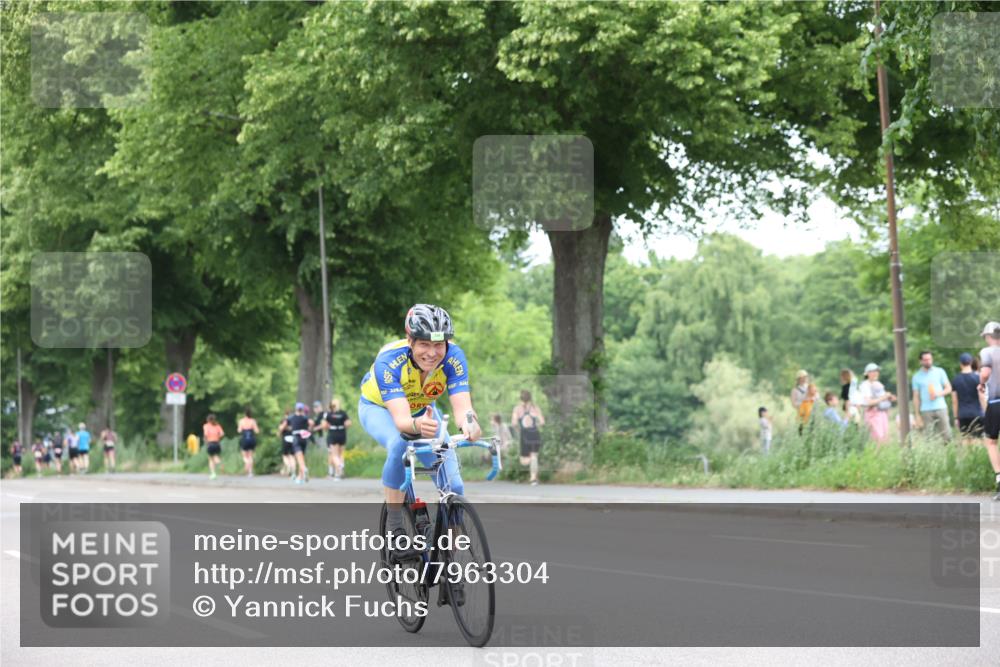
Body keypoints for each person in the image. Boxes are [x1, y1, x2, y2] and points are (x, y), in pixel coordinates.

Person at [358, 304, 481, 545]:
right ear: (410, 341)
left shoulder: (454, 358)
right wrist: (417, 426)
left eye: (439, 345)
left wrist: (470, 425)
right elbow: (403, 422)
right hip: (381, 409)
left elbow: (463, 408)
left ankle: (448, 546)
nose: (432, 353)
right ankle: (395, 526)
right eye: (424, 344)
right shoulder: (389, 361)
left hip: (423, 410)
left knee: (454, 483)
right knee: (399, 444)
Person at [978, 322, 1000, 501]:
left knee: (991, 441)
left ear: (988, 336)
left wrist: (981, 383)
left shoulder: (987, 352)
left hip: (996, 401)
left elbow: (985, 373)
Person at [912, 351, 953, 441]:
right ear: (921, 361)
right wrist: (917, 414)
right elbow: (916, 396)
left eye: (929, 359)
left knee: (947, 435)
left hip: (941, 407)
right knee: (929, 437)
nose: (928, 361)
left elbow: (949, 388)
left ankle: (948, 449)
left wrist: (938, 394)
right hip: (926, 409)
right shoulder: (916, 376)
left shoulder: (940, 371)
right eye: (925, 360)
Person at [512, 390, 545, 486]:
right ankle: (533, 478)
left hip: (524, 434)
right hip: (535, 434)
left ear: (520, 398)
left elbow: (514, 423)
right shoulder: (535, 408)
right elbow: (542, 422)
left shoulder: (517, 409)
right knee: (534, 456)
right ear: (530, 398)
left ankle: (533, 478)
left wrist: (519, 430)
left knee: (524, 460)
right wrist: (535, 426)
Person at [859, 363, 895, 445]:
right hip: (872, 414)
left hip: (882, 413)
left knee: (885, 439)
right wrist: (883, 397)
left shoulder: (878, 384)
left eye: (877, 371)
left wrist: (889, 397)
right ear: (867, 373)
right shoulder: (864, 385)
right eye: (873, 371)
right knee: (877, 439)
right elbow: (868, 402)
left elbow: (882, 398)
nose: (876, 373)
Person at [952, 352, 985, 442]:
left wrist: (956, 418)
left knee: (965, 440)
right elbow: (982, 397)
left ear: (960, 364)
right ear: (971, 362)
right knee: (978, 441)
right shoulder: (978, 378)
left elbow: (954, 401)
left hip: (963, 414)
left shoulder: (955, 380)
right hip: (977, 413)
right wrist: (987, 412)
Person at [278, 403, 313, 484]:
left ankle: (304, 469)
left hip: (296, 438)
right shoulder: (305, 417)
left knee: (299, 458)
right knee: (302, 457)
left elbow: (282, 427)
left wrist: (280, 431)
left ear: (296, 409)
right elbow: (311, 423)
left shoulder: (291, 417)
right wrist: (309, 429)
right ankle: (300, 477)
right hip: (304, 438)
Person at [320, 398, 351, 480]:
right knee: (341, 454)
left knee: (334, 455)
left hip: (333, 433)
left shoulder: (328, 414)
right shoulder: (343, 413)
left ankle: (339, 467)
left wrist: (327, 427)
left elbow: (324, 426)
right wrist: (342, 425)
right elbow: (348, 423)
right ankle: (339, 471)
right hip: (342, 433)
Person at [237, 408, 260, 477]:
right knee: (250, 456)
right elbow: (257, 431)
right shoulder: (253, 421)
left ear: (244, 414)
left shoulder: (241, 421)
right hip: (251, 439)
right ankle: (250, 472)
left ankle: (247, 463)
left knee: (244, 456)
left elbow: (239, 430)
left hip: (244, 439)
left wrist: (243, 429)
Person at [203, 414, 225, 480]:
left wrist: (206, 441)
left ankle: (213, 473)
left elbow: (206, 434)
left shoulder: (206, 426)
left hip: (210, 443)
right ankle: (219, 463)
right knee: (215, 456)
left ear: (208, 420)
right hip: (217, 443)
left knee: (211, 459)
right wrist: (217, 437)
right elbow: (222, 434)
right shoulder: (218, 426)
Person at [278, 407, 295, 478]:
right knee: (292, 456)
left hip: (286, 438)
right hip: (293, 438)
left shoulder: (284, 420)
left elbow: (281, 428)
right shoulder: (294, 419)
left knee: (285, 455)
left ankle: (288, 467)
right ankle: (293, 471)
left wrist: (279, 433)